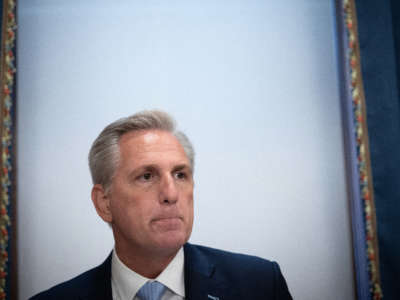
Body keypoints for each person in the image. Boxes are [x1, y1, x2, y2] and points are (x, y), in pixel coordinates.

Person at [30, 110, 292, 300]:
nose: (171, 194)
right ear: (104, 202)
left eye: (180, 175)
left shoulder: (260, 285)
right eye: (147, 176)